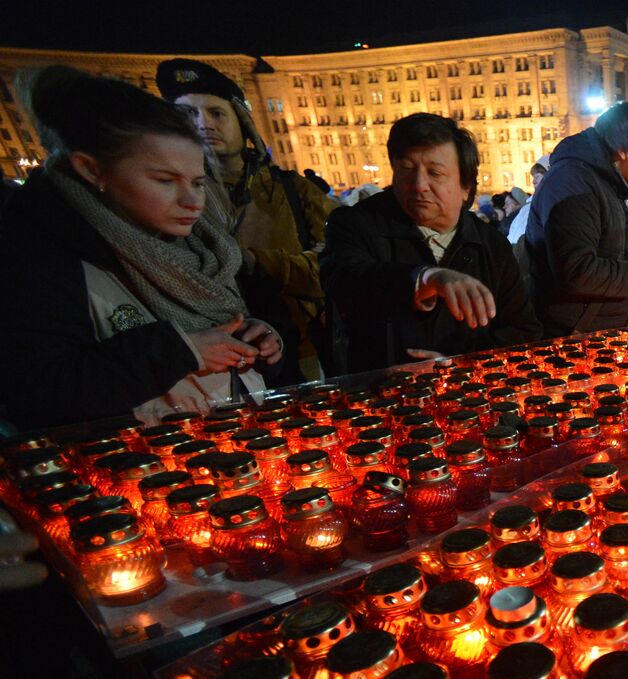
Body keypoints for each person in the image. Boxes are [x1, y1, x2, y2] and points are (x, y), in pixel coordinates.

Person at [0, 66, 285, 428]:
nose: (192, 201)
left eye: (198, 183)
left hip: (231, 445)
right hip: (135, 468)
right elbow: (37, 391)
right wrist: (179, 352)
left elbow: (225, 338)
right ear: (92, 171)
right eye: (165, 181)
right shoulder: (42, 255)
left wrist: (261, 344)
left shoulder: (201, 248)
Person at [157, 58, 339, 382]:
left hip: (300, 349)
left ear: (241, 120)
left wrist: (256, 263)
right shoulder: (162, 199)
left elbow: (335, 266)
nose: (203, 124)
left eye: (216, 113)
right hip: (211, 364)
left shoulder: (293, 189)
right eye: (187, 114)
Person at [320, 113, 539, 370]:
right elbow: (344, 281)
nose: (419, 185)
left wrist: (460, 364)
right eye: (406, 170)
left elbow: (522, 331)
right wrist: (423, 278)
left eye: (435, 173)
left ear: (465, 186)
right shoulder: (356, 224)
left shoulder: (491, 244)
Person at [524, 102, 628, 336]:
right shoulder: (572, 183)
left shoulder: (605, 185)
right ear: (622, 148)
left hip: (593, 337)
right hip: (571, 342)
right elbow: (579, 272)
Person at [506, 155, 549, 245]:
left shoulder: (547, 204)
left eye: (537, 176)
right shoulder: (527, 207)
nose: (533, 181)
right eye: (533, 177)